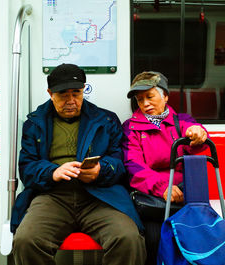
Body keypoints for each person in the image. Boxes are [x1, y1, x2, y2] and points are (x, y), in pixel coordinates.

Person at [11, 63, 146, 265]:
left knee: (128, 238)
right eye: (63, 94)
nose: (71, 101)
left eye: (76, 93)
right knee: (26, 240)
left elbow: (119, 163)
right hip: (53, 196)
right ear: (50, 93)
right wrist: (53, 172)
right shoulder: (35, 123)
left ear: (84, 90)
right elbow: (27, 168)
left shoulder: (106, 120)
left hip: (100, 196)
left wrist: (101, 170)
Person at [121, 71, 208, 265]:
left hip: (186, 197)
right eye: (139, 100)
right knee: (154, 238)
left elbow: (199, 143)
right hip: (153, 199)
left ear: (165, 96)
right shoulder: (131, 128)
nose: (145, 104)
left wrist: (199, 134)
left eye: (150, 97)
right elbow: (133, 166)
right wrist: (163, 188)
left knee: (194, 236)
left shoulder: (183, 122)